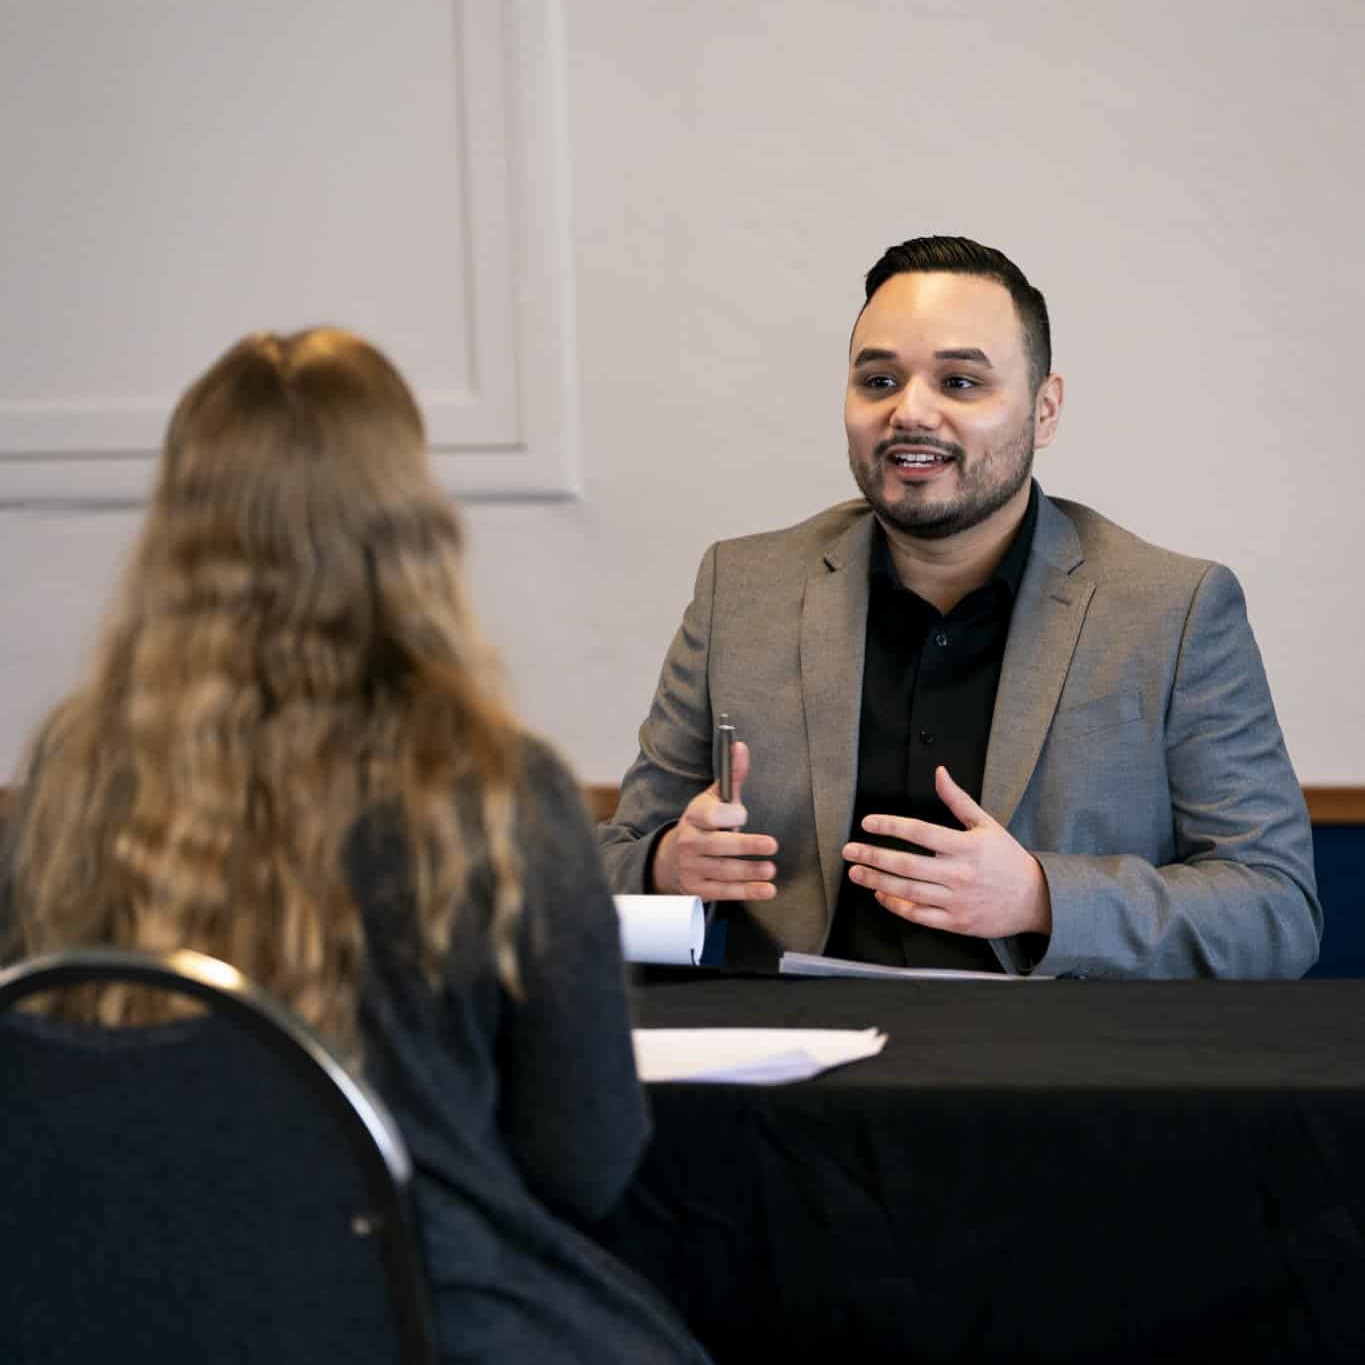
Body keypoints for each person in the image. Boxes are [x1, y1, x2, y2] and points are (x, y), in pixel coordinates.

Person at [0, 328, 708, 1363]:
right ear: (409, 529)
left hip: (107, 1315)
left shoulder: (69, 777)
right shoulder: (495, 791)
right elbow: (585, 1161)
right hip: (424, 1321)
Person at [598, 236, 1321, 979]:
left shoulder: (1172, 610)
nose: (909, 412)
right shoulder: (742, 589)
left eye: (960, 382)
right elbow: (604, 867)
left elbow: (1276, 911)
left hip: (1058, 1067)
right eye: (877, 380)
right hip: (800, 1064)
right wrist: (664, 866)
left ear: (1043, 411)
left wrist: (1042, 897)